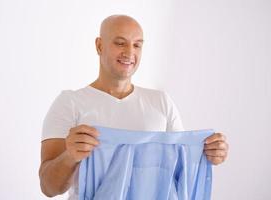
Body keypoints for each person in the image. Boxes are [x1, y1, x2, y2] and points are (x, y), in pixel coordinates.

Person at [39, 14, 229, 199]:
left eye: (137, 45)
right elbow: (48, 188)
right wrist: (70, 156)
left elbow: (180, 169)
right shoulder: (70, 102)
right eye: (120, 43)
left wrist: (208, 153)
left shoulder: (161, 101)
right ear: (99, 45)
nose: (130, 52)